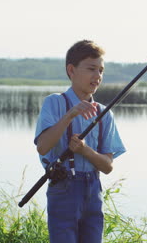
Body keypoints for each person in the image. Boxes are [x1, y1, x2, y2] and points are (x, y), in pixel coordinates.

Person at [34, 40, 126, 242]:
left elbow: (108, 166)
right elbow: (43, 147)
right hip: (63, 187)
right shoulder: (55, 102)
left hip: (93, 190)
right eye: (91, 69)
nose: (98, 76)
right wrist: (70, 115)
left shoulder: (104, 114)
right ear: (71, 70)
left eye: (101, 70)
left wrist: (85, 151)